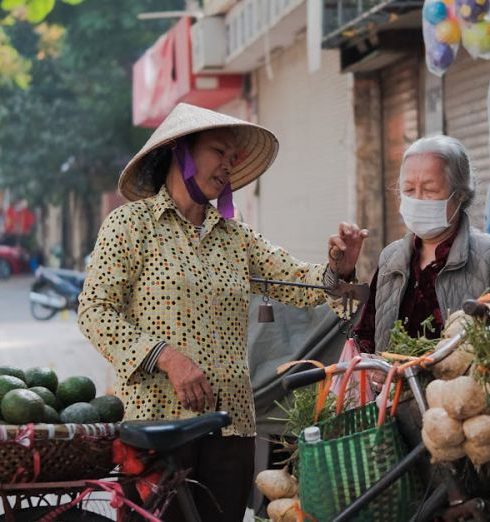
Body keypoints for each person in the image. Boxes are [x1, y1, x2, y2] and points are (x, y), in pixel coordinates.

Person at [78, 102, 366, 522]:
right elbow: (94, 311)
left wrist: (339, 268)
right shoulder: (130, 226)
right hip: (158, 426)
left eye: (233, 158)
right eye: (219, 152)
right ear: (181, 151)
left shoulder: (236, 237)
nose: (228, 165)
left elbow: (300, 283)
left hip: (231, 427)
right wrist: (167, 357)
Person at [352, 134, 490, 358]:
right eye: (408, 190)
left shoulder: (486, 257)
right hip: (392, 391)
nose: (417, 199)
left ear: (460, 195)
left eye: (430, 190)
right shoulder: (391, 259)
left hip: (453, 393)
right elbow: (366, 334)